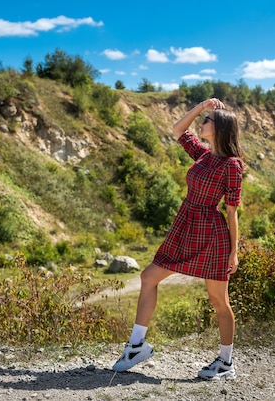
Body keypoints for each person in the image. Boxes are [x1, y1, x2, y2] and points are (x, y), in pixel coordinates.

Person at [112, 97, 245, 381]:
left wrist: (234, 251)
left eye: (208, 120)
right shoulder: (204, 155)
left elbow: (232, 211)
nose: (202, 123)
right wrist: (201, 106)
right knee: (148, 277)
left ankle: (226, 362)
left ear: (220, 128)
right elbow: (177, 130)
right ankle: (137, 346)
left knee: (218, 300)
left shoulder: (231, 165)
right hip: (186, 227)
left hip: (211, 235)